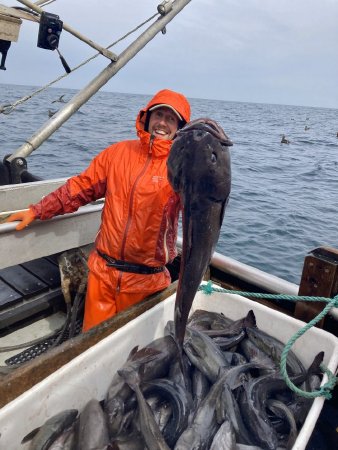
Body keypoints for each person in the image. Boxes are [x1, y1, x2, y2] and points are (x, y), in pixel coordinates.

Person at [6, 89, 191, 331]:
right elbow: (79, 188)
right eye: (158, 114)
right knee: (91, 347)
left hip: (146, 282)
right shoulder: (117, 153)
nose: (162, 123)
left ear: (180, 128)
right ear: (146, 117)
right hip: (102, 274)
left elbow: (199, 210)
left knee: (132, 355)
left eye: (171, 118)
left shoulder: (183, 170)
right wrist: (37, 210)